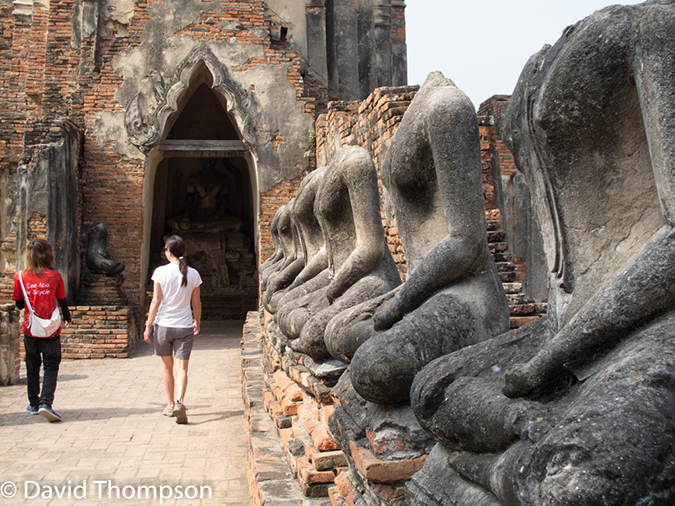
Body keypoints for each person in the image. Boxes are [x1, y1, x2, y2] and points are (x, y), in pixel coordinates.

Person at [144, 235, 202, 424]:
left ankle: (170, 404)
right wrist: (197, 322)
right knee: (182, 367)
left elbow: (156, 301)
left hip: (163, 326)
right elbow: (196, 303)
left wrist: (148, 325)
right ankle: (180, 402)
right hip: (184, 325)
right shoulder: (193, 273)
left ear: (168, 252)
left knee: (167, 367)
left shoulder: (160, 272)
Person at [12, 239, 72, 423]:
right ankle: (46, 402)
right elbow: (62, 300)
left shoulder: (20, 277)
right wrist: (68, 317)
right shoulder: (54, 276)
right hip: (51, 329)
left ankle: (33, 403)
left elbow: (19, 304)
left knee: (32, 365)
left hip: (31, 329)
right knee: (51, 365)